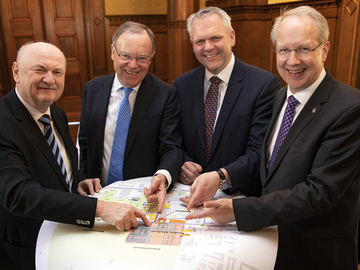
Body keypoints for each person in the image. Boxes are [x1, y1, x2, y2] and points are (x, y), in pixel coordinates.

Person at [186, 6, 360, 269]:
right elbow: (269, 163)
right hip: (272, 244)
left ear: (324, 50)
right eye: (284, 50)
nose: (292, 60)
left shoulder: (349, 108)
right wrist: (221, 177)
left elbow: (319, 193)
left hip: (315, 253)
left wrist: (240, 211)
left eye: (303, 49)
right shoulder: (281, 97)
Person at [0, 42, 151, 270]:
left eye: (57, 72)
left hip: (65, 237)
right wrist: (100, 209)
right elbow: (19, 194)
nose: (50, 79)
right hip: (27, 248)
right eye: (40, 70)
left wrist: (78, 179)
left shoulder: (57, 114)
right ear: (16, 72)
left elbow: (56, 165)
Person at [174, 7, 281, 208]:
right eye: (200, 41)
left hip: (239, 199)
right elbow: (175, 139)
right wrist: (183, 162)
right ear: (192, 45)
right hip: (188, 195)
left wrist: (220, 177)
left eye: (215, 38)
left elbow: (260, 151)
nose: (208, 47)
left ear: (231, 37)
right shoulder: (182, 84)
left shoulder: (263, 85)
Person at [78, 21, 183, 212]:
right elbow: (85, 144)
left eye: (142, 57)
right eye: (126, 56)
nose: (133, 65)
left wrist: (162, 176)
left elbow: (171, 147)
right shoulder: (92, 89)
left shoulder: (166, 94)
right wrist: (83, 178)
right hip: (99, 197)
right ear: (112, 52)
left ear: (151, 58)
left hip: (142, 197)